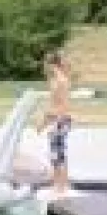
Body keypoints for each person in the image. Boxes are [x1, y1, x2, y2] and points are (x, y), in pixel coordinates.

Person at [37, 51, 75, 198]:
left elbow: (60, 105)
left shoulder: (60, 81)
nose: (44, 67)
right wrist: (46, 122)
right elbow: (55, 104)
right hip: (60, 119)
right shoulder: (59, 80)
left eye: (46, 64)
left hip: (60, 120)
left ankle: (60, 187)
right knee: (58, 154)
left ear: (52, 64)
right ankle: (59, 185)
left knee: (57, 154)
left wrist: (49, 122)